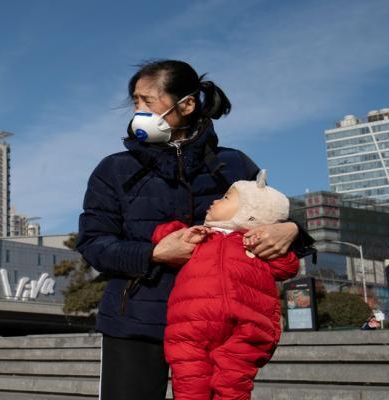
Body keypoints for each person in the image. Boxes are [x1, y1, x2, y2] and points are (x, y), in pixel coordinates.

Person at [76, 60, 315, 400]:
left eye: (147, 101)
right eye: (135, 102)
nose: (138, 111)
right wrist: (155, 253)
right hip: (136, 321)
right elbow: (93, 243)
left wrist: (292, 230)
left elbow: (271, 213)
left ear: (186, 105)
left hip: (219, 326)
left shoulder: (233, 164)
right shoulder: (114, 169)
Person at [152, 170, 299, 400]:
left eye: (226, 198)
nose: (215, 201)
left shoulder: (256, 243)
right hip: (190, 326)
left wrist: (267, 241)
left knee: (233, 384)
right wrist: (181, 232)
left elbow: (287, 268)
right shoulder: (201, 235)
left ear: (251, 213)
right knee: (189, 384)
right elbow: (165, 236)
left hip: (248, 326)